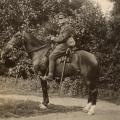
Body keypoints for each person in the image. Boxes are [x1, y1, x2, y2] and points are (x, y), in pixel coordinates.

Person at [44, 13, 76, 81]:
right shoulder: (62, 27)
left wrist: (54, 39)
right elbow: (60, 37)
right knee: (49, 52)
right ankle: (57, 74)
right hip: (62, 44)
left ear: (65, 19)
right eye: (59, 19)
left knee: (51, 56)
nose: (60, 20)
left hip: (65, 45)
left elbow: (63, 39)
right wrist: (53, 38)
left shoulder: (67, 27)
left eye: (61, 18)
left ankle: (50, 75)